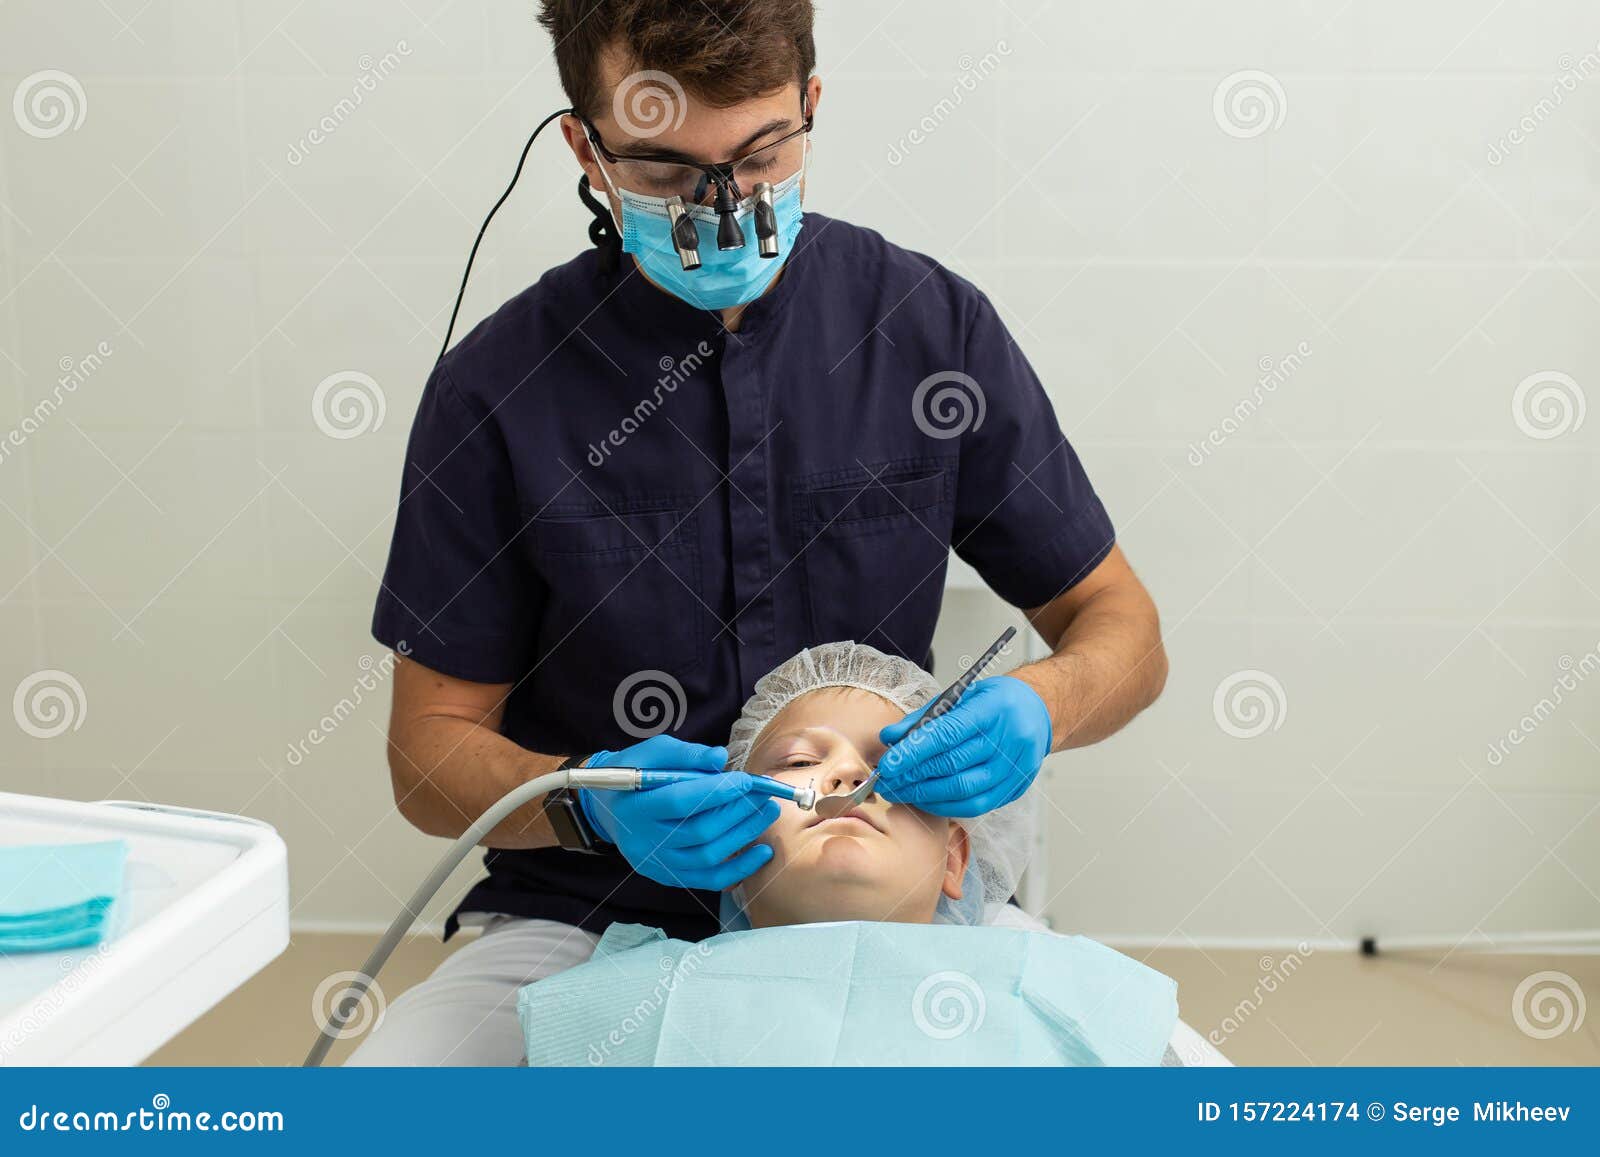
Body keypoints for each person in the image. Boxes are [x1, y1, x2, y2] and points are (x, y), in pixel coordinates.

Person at [356, 0, 1168, 1066]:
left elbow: (1120, 627)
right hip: (588, 907)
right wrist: (589, 807)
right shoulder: (496, 390)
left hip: (886, 911)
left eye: (756, 154)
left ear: (810, 107)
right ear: (584, 150)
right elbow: (428, 758)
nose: (721, 207)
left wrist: (1038, 702)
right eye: (662, 168)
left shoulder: (926, 328)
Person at [514, 643, 1181, 1066]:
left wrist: (1047, 697)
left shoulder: (1059, 988)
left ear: (956, 860)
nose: (843, 774)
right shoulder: (628, 999)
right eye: (802, 759)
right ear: (729, 845)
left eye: (889, 766)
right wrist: (584, 799)